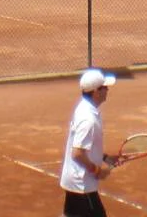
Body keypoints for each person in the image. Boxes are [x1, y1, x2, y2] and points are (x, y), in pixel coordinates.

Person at [59, 68, 116, 216]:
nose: (107, 89)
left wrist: (104, 157)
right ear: (96, 91)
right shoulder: (88, 119)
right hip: (82, 184)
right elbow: (77, 153)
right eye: (104, 87)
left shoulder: (84, 107)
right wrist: (98, 171)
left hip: (76, 182)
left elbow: (83, 145)